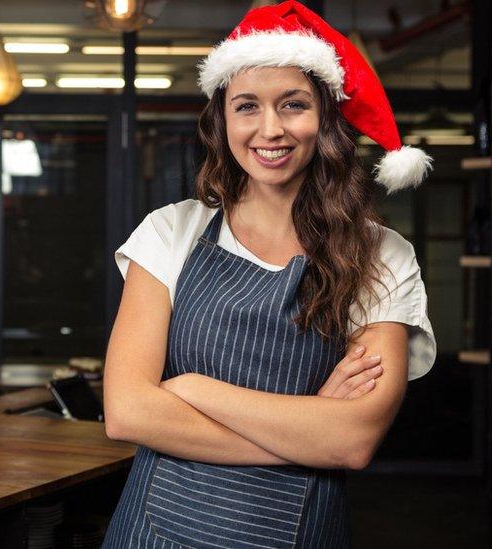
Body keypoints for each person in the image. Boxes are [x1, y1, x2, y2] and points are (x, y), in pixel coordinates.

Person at [101, 2, 437, 547]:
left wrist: (191, 390)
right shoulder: (171, 231)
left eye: (294, 105)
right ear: (223, 120)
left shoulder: (381, 256)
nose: (270, 129)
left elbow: (352, 441)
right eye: (247, 106)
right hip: (152, 531)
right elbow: (126, 411)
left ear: (325, 117)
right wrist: (308, 431)